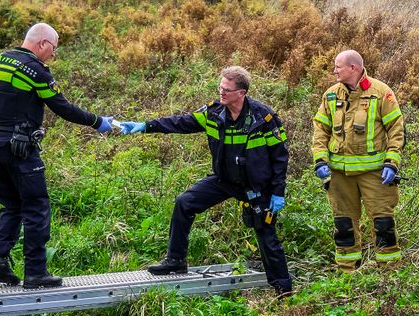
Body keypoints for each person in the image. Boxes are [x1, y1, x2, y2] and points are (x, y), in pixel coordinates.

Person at [116, 66, 292, 294]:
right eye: (220, 87)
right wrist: (145, 126)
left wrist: (277, 192)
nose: (221, 93)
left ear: (241, 92)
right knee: (184, 202)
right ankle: (175, 261)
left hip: (256, 186)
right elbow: (180, 122)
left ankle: (283, 289)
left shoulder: (263, 118)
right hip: (224, 180)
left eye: (227, 90)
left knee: (266, 234)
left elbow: (280, 156)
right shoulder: (213, 112)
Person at [0, 22, 115, 289]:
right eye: (54, 49)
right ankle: (36, 272)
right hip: (18, 147)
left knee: (11, 204)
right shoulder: (36, 71)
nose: (53, 55)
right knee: (36, 206)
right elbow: (64, 108)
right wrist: (97, 122)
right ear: (43, 43)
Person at [311, 50, 406, 269]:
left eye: (338, 67)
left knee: (383, 224)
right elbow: (320, 130)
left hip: (375, 174)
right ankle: (347, 272)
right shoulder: (331, 95)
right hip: (339, 175)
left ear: (353, 68)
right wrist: (320, 160)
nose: (334, 71)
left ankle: (389, 272)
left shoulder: (381, 92)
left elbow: (396, 130)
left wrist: (392, 163)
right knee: (343, 225)